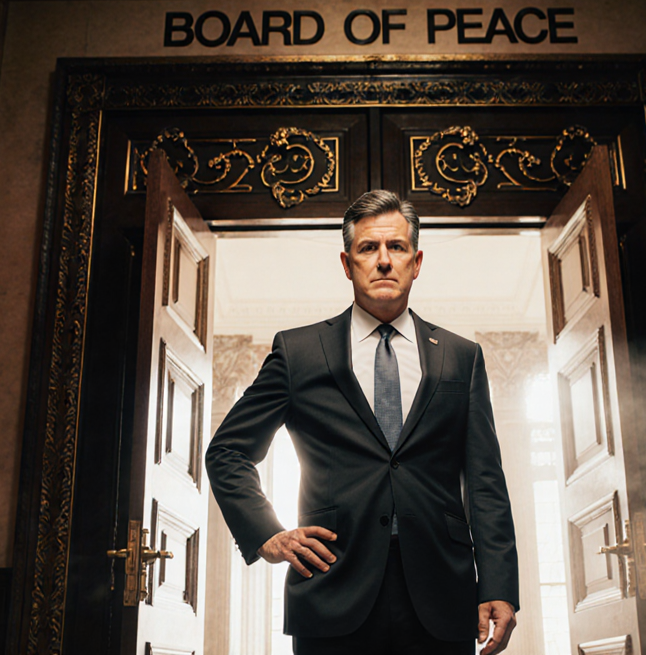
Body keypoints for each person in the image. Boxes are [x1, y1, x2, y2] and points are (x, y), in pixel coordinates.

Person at [205, 190, 519, 655]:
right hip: (331, 588)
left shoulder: (461, 357)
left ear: (416, 261)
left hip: (441, 592)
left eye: (397, 247)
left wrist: (498, 583)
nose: (384, 260)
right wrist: (266, 533)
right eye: (369, 248)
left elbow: (485, 480)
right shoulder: (299, 353)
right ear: (347, 263)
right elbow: (228, 451)